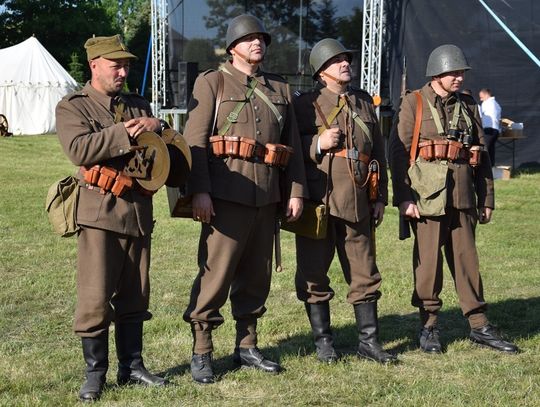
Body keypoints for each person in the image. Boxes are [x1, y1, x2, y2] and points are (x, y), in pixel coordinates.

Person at [182, 14, 307, 384]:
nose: (258, 43)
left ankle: (247, 345)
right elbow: (195, 142)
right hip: (225, 196)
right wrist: (200, 191)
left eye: (261, 39)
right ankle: (202, 350)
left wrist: (295, 191)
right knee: (215, 275)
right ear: (233, 46)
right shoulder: (213, 82)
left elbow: (294, 149)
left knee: (257, 276)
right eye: (249, 38)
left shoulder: (280, 89)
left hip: (267, 196)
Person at [55, 35, 168, 402]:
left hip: (137, 212)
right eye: (115, 65)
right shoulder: (74, 107)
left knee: (136, 293)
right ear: (95, 65)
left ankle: (132, 366)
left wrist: (158, 127)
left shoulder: (136, 104)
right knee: (95, 297)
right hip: (100, 212)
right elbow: (77, 149)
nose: (123, 71)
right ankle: (95, 373)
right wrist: (123, 132)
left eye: (127, 65)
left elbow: (160, 151)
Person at [389, 44, 518, 354]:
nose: (459, 77)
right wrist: (404, 198)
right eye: (454, 72)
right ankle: (429, 325)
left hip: (462, 198)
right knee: (428, 266)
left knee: (467, 263)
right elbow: (397, 152)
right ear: (437, 72)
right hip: (428, 200)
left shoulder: (468, 105)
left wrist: (486, 197)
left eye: (461, 72)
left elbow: (481, 154)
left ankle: (479, 324)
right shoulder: (414, 103)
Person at [292, 38, 397, 364]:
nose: (345, 64)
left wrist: (379, 196)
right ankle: (324, 343)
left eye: (346, 59)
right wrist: (317, 143)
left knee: (365, 272)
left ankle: (369, 342)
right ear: (321, 71)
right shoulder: (305, 104)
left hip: (357, 199)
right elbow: (291, 149)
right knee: (313, 273)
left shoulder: (364, 102)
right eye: (337, 60)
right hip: (318, 199)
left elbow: (377, 151)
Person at [478, 88, 502, 165]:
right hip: (496, 130)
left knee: (485, 150)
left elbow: (479, 116)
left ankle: (485, 170)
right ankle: (491, 169)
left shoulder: (486, 104)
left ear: (486, 94)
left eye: (481, 97)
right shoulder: (496, 104)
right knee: (491, 150)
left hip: (488, 130)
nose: (481, 99)